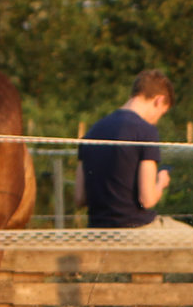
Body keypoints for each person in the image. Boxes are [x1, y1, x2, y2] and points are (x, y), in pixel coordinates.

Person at [76, 70, 184, 232]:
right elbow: (147, 200)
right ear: (159, 100)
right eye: (161, 113)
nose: (157, 120)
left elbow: (79, 198)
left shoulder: (92, 132)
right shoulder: (146, 132)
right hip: (135, 229)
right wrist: (161, 181)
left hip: (96, 230)